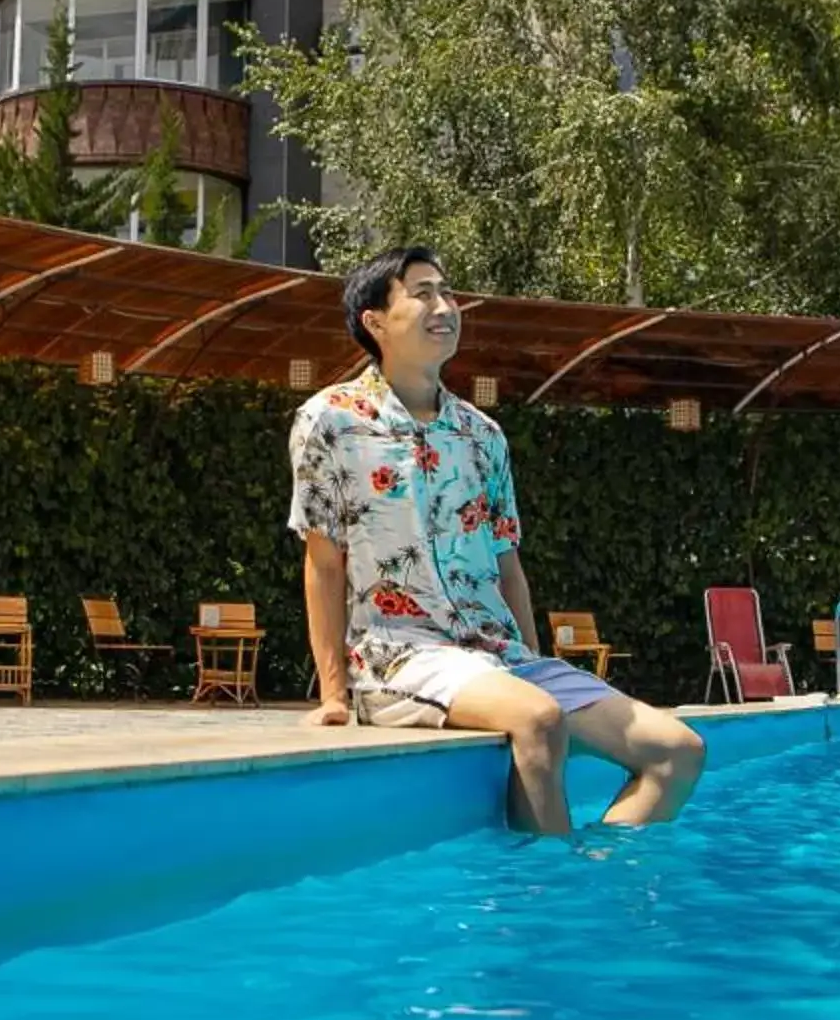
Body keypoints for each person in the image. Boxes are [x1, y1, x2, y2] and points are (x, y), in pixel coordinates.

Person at [288, 245, 707, 833]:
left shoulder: (483, 435)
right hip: (400, 656)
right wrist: (333, 694)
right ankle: (544, 904)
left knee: (677, 752)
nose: (445, 306)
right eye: (422, 292)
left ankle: (596, 881)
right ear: (375, 321)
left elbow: (508, 565)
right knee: (537, 718)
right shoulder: (329, 421)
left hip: (500, 658)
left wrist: (531, 657)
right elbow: (324, 564)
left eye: (448, 291)